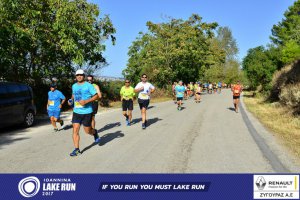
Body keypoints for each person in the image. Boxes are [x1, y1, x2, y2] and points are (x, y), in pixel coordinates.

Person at [68, 69, 100, 156]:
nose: (79, 76)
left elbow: (96, 96)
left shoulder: (88, 86)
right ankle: (77, 149)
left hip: (87, 112)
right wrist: (71, 100)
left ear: (84, 76)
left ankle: (95, 132)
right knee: (75, 130)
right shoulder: (74, 86)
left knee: (87, 131)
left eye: (81, 75)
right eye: (77, 75)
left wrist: (86, 101)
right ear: (75, 76)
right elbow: (74, 94)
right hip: (76, 111)